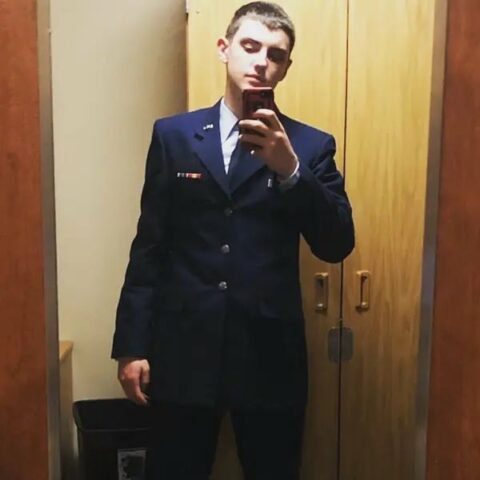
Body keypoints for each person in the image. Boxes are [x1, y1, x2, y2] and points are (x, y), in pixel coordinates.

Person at [111, 2, 354, 479]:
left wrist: (291, 171)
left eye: (275, 54)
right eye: (250, 46)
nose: (261, 61)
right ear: (224, 49)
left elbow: (336, 243)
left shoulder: (309, 146)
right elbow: (150, 246)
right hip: (182, 350)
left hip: (269, 357)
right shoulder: (175, 136)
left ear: (285, 68)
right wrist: (131, 345)